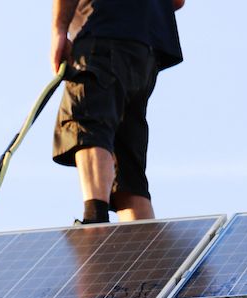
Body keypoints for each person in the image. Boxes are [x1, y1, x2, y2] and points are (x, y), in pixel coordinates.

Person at [50, 0, 185, 224]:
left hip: (102, 32)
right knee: (127, 161)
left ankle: (95, 220)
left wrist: (59, 31)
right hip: (147, 49)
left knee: (88, 122)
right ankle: (142, 249)